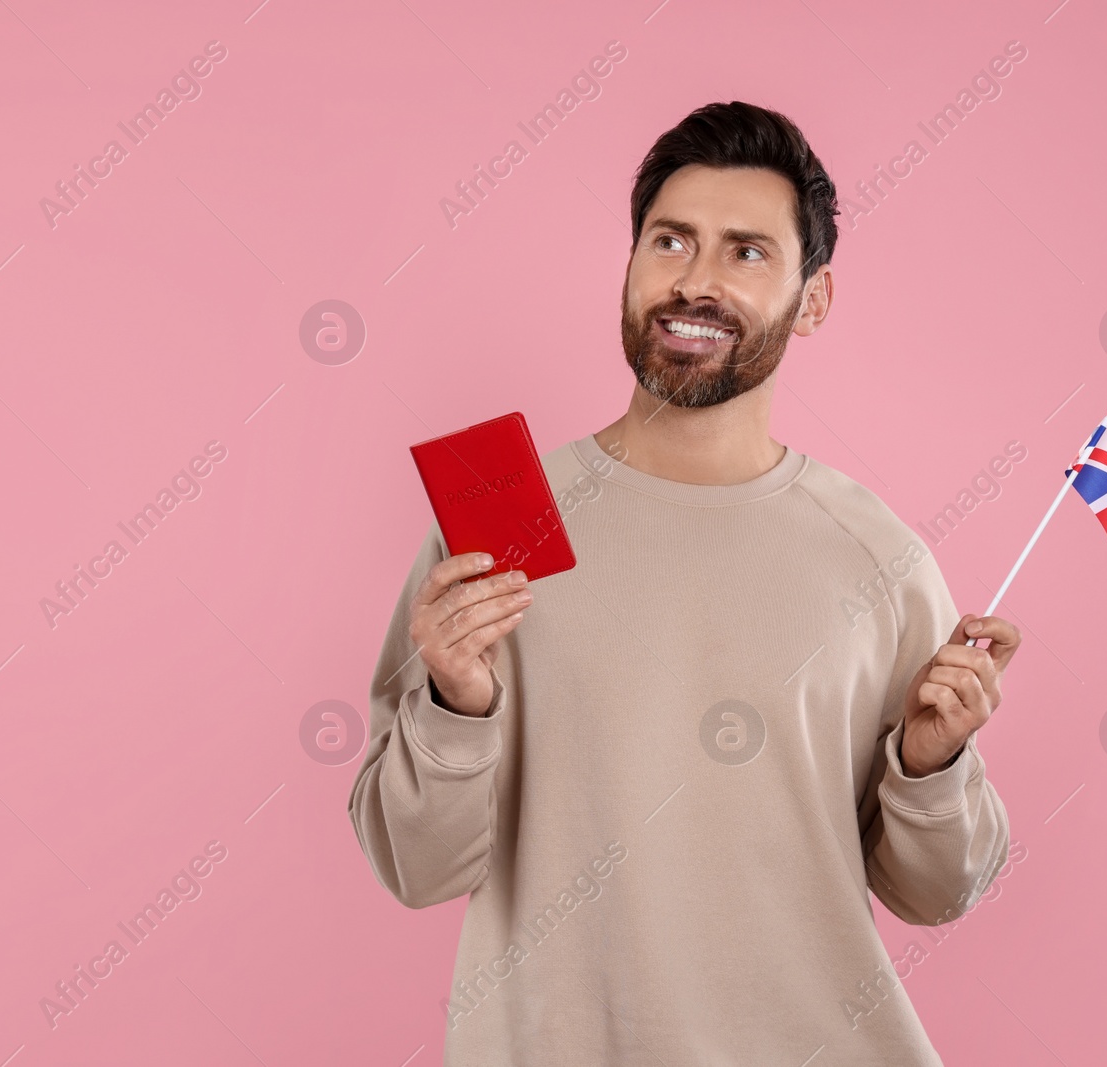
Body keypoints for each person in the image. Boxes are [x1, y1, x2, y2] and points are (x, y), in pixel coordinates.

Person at [348, 100, 1021, 1066]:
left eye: (748, 252)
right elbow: (414, 867)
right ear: (630, 266)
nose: (696, 282)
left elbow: (939, 891)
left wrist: (929, 766)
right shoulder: (500, 520)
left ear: (814, 298)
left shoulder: (882, 558)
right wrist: (457, 706)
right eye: (671, 240)